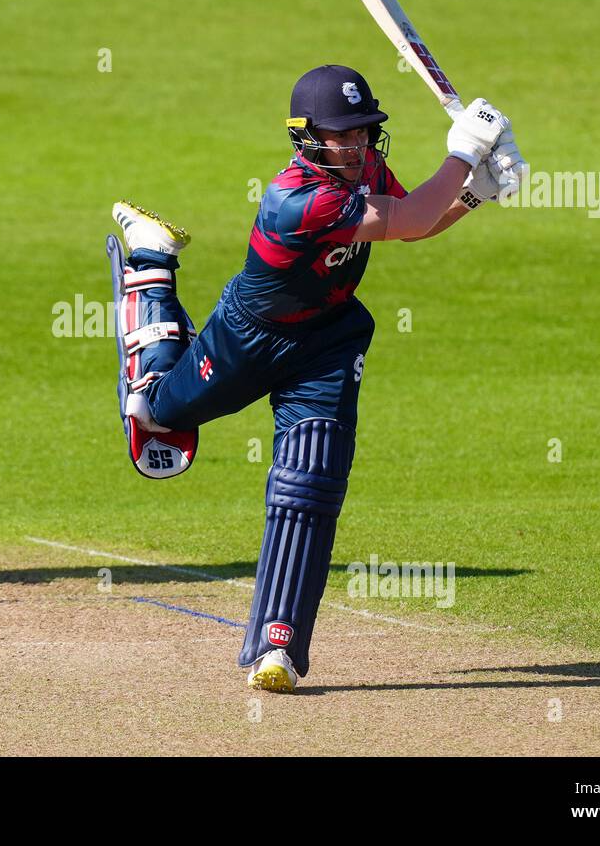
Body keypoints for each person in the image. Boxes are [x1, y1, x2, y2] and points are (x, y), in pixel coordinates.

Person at [107, 64, 524, 691]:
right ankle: (153, 257)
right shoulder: (297, 200)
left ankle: (278, 646)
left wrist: (475, 191)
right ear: (306, 136)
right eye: (342, 135)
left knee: (311, 485)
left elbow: (415, 221)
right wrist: (464, 153)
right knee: (158, 415)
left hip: (328, 338)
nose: (355, 146)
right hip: (251, 336)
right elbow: (410, 217)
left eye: (363, 132)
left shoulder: (359, 173)